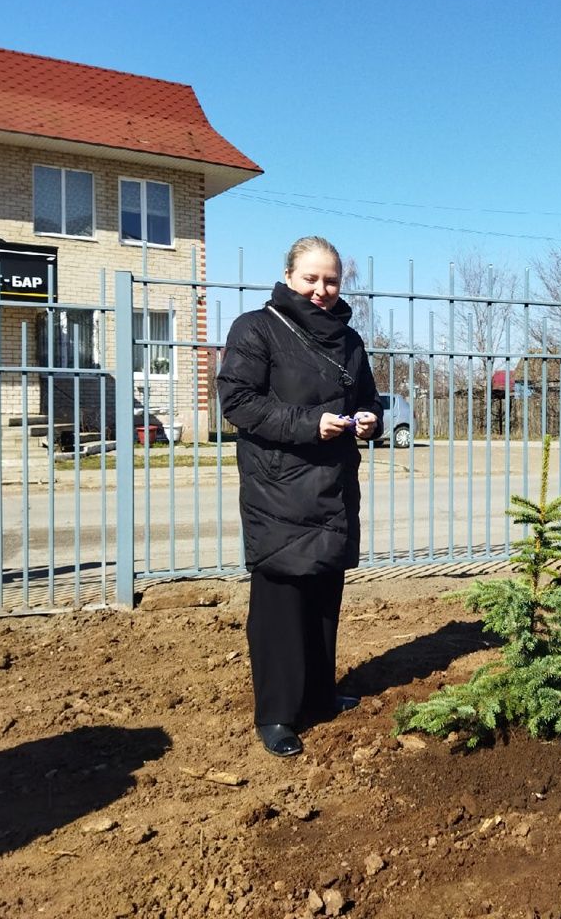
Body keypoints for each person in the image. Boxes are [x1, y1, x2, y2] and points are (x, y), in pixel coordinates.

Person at [216, 236, 382, 758]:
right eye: (311, 278)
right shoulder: (256, 328)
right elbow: (238, 402)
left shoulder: (349, 341)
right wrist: (311, 424)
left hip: (331, 488)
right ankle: (276, 714)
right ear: (289, 276)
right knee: (280, 603)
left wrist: (370, 421)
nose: (321, 289)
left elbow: (367, 398)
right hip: (277, 487)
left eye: (330, 280)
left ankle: (317, 695)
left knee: (323, 599)